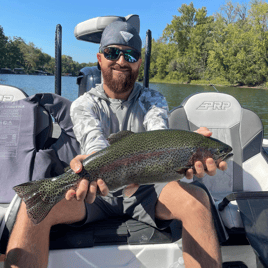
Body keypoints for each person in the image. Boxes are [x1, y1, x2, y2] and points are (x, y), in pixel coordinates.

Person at [5, 20, 227, 268]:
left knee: (198, 200)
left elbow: (159, 138)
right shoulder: (83, 104)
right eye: (112, 53)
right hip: (94, 190)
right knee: (33, 205)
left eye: (130, 55)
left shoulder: (152, 100)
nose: (121, 61)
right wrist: (84, 166)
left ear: (139, 63)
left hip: (147, 187)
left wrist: (187, 150)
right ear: (100, 58)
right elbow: (95, 144)